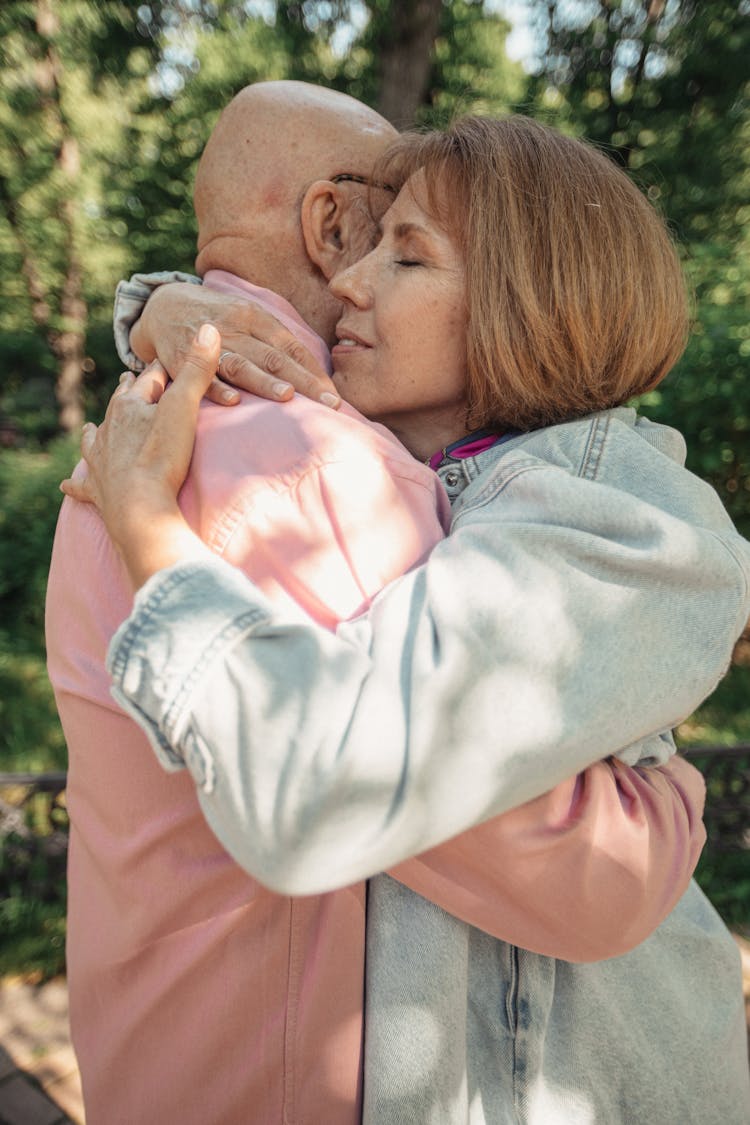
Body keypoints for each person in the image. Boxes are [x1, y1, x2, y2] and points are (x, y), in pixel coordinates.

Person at [67, 112, 750, 1123]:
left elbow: (322, 785)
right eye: (365, 239)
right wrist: (162, 306)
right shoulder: (436, 481)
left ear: (531, 302)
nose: (347, 280)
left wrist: (148, 530)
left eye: (408, 252)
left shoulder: (611, 518)